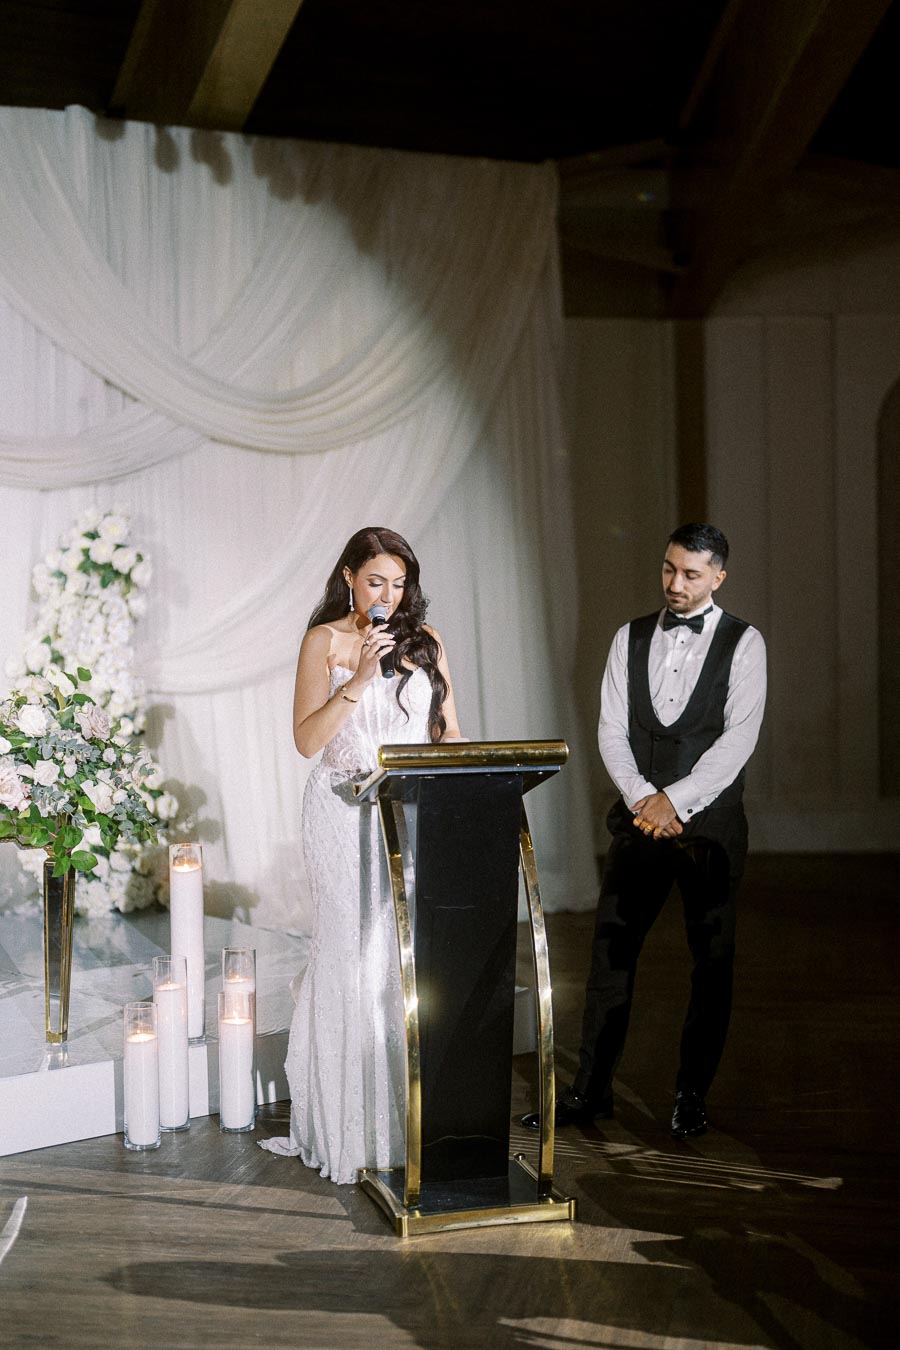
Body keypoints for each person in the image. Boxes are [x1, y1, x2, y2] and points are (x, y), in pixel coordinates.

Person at [523, 522, 766, 1139]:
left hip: (709, 831)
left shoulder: (745, 642)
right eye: (669, 569)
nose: (675, 583)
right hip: (639, 822)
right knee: (610, 957)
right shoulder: (629, 637)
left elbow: (738, 740)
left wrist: (676, 802)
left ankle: (690, 1094)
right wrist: (643, 800)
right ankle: (590, 1092)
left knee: (710, 963)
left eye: (690, 573)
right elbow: (610, 729)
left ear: (718, 576)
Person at [259, 527, 461, 1183]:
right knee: (350, 957)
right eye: (377, 581)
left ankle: (401, 1124)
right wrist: (362, 676)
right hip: (342, 814)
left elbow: (450, 735)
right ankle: (345, 1130)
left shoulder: (427, 645)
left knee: (394, 965)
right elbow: (305, 739)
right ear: (350, 576)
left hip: (410, 815)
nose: (389, 595)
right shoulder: (325, 641)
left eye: (399, 584)